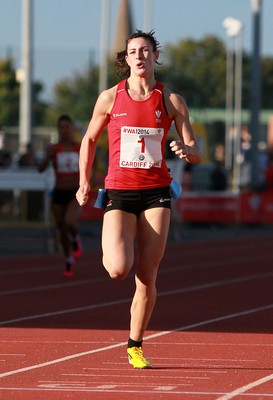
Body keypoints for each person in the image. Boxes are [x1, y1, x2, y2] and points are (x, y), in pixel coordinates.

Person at [76, 30, 201, 368]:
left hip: (157, 193)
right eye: (134, 51)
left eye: (146, 50)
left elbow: (195, 150)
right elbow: (89, 140)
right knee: (118, 268)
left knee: (147, 276)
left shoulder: (171, 100)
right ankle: (112, 249)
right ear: (126, 59)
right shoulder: (109, 98)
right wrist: (84, 181)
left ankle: (135, 345)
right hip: (119, 190)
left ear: (156, 55)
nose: (140, 56)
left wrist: (187, 150)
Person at [38, 115, 82, 277]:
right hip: (58, 192)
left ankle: (76, 238)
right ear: (58, 130)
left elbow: (90, 164)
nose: (64, 130)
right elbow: (40, 169)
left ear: (72, 129)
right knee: (61, 228)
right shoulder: (54, 149)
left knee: (69, 221)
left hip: (74, 192)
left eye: (67, 127)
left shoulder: (79, 148)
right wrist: (47, 157)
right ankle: (69, 257)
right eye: (61, 127)